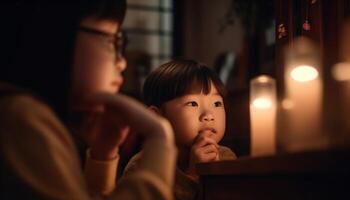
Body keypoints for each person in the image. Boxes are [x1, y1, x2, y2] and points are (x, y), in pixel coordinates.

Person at [0, 1, 176, 199]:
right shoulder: (20, 118)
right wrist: (160, 139)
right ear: (57, 33)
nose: (122, 62)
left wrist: (102, 155)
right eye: (112, 41)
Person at [123, 59, 237, 200]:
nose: (208, 115)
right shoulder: (143, 167)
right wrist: (192, 175)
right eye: (192, 103)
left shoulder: (226, 158)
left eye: (217, 103)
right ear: (157, 117)